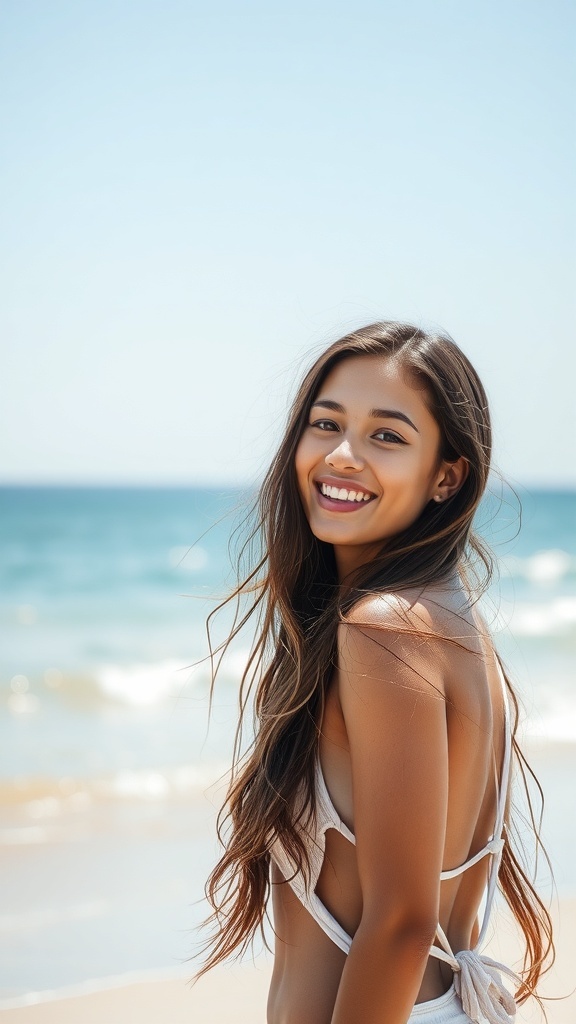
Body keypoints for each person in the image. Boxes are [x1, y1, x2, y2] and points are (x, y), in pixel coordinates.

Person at [199, 322, 553, 1023]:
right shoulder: (450, 618)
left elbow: (402, 923)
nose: (342, 455)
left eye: (386, 436)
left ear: (447, 475)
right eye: (325, 423)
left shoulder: (383, 628)